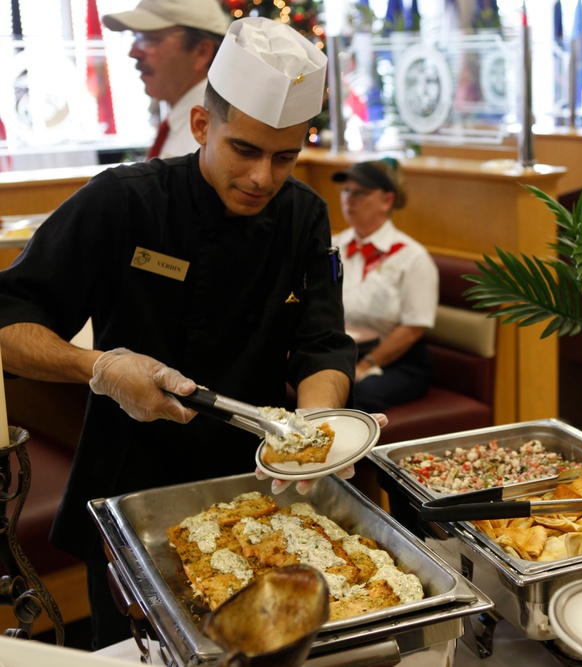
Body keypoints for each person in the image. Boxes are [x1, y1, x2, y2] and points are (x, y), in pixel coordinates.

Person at [0, 17, 356, 648]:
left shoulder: (304, 215)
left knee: (257, 652)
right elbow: (8, 320)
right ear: (202, 126)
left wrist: (313, 425)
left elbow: (321, 341)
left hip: (255, 479)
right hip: (130, 483)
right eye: (244, 150)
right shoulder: (124, 201)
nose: (262, 179)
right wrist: (101, 369)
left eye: (285, 157)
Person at [331, 159, 439, 413]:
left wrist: (365, 365)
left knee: (353, 395)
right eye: (346, 191)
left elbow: (413, 329)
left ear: (386, 201)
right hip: (341, 353)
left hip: (396, 362)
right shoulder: (332, 246)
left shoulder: (412, 257)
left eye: (361, 193)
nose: (349, 199)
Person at [102, 0, 231, 159]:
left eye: (149, 38)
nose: (134, 52)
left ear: (201, 52)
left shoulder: (212, 134)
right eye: (135, 37)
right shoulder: (185, 123)